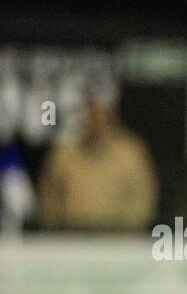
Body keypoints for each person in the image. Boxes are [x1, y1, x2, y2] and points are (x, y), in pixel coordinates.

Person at [38, 88, 157, 231]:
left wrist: (127, 234)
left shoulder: (131, 153)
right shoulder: (62, 153)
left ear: (109, 114)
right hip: (70, 240)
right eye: (85, 111)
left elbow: (143, 203)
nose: (90, 118)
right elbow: (49, 200)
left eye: (95, 112)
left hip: (119, 241)